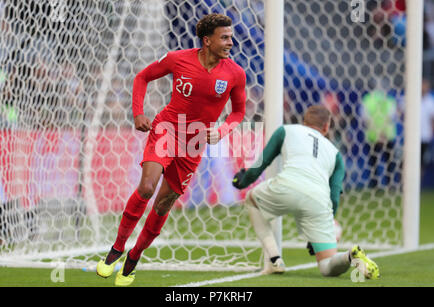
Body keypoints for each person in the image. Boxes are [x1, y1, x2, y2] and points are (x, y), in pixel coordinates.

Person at [96, 13, 246, 286]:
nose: (230, 42)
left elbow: (238, 113)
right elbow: (143, 77)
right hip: (167, 130)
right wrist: (138, 113)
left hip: (194, 144)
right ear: (207, 40)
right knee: (146, 188)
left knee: (164, 203)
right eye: (224, 37)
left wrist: (222, 130)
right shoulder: (178, 58)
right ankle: (116, 249)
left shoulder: (235, 73)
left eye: (231, 37)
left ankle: (134, 257)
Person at [232, 105, 380, 279]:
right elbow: (334, 197)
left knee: (252, 200)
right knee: (326, 267)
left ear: (304, 121)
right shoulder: (336, 154)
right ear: (327, 126)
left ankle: (274, 259)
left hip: (287, 186)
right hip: (319, 201)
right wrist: (327, 225)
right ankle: (350, 255)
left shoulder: (286, 131)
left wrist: (245, 180)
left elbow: (262, 162)